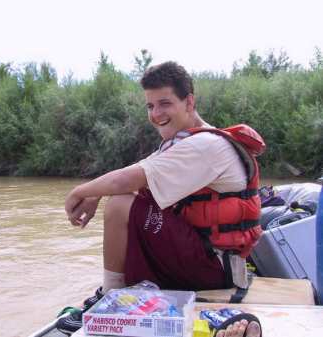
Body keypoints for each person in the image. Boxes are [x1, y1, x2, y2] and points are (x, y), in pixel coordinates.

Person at [56, 61, 265, 334]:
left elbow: (130, 178)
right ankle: (117, 294)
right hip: (205, 258)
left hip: (214, 266)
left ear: (189, 102)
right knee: (123, 197)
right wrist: (97, 194)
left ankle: (110, 298)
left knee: (120, 205)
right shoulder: (183, 143)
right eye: (150, 106)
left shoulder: (205, 146)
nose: (156, 114)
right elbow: (134, 177)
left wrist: (82, 191)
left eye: (164, 103)